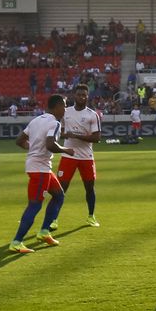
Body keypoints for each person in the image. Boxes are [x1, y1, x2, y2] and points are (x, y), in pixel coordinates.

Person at [10, 94, 70, 254]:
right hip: (40, 170)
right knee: (35, 205)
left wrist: (34, 148)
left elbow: (19, 140)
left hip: (41, 167)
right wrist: (66, 150)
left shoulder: (36, 120)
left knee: (59, 196)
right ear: (56, 107)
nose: (65, 109)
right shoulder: (55, 123)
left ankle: (44, 232)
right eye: (64, 106)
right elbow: (51, 144)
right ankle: (16, 242)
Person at [53, 83, 103, 229]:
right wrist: (63, 134)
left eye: (84, 95)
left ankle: (91, 216)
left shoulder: (92, 115)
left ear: (88, 97)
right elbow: (59, 131)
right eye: (79, 94)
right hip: (68, 155)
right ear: (74, 95)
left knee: (89, 188)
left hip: (86, 157)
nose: (81, 97)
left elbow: (97, 138)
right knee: (61, 188)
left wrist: (75, 135)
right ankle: (53, 219)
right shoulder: (65, 112)